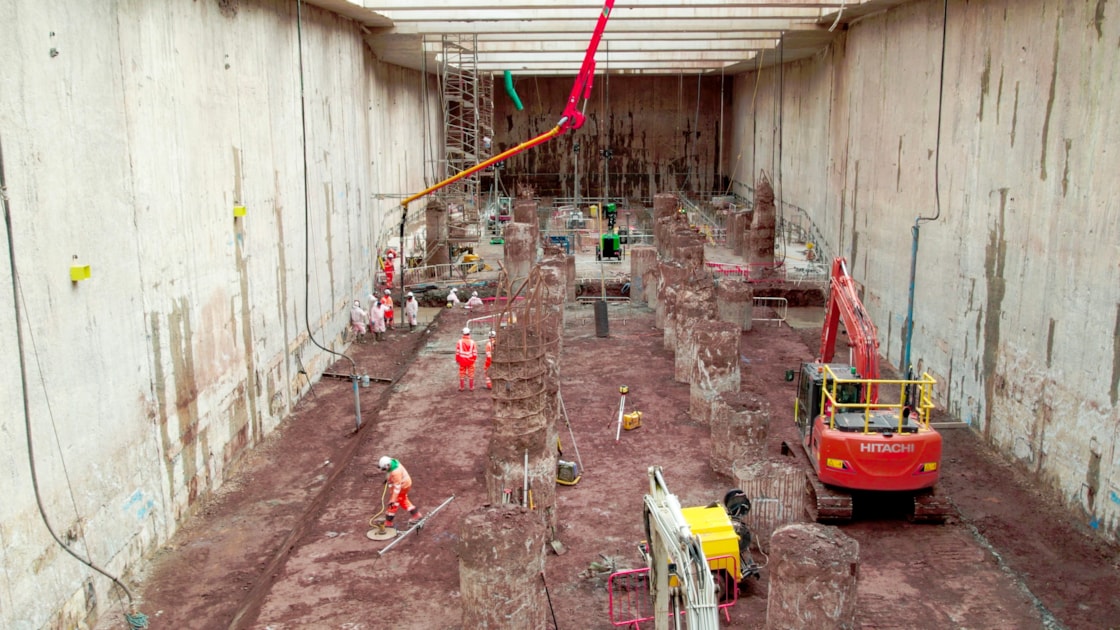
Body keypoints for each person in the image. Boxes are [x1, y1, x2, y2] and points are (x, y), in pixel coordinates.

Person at [378, 456, 422, 529]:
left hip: (403, 486)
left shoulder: (396, 472)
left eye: (384, 469)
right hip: (404, 483)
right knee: (402, 500)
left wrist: (392, 499)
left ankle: (389, 522)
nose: (384, 470)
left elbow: (397, 489)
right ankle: (416, 514)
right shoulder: (392, 462)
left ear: (387, 465)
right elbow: (389, 472)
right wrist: (387, 479)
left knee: (395, 502)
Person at [455, 327, 478, 392]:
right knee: (471, 373)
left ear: (463, 333)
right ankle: (471, 387)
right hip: (470, 361)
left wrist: (457, 360)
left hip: (462, 360)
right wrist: (474, 359)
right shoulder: (473, 342)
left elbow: (457, 352)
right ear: (469, 333)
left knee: (462, 373)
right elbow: (475, 353)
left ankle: (462, 387)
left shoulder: (459, 342)